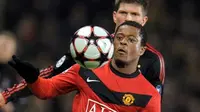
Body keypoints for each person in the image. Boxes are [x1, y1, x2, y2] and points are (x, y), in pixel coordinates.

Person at [0, 0, 165, 108]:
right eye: (123, 12)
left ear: (144, 20)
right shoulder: (89, 45)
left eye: (134, 14)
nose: (128, 18)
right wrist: (8, 95)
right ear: (115, 16)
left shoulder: (154, 60)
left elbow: (153, 103)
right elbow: (50, 77)